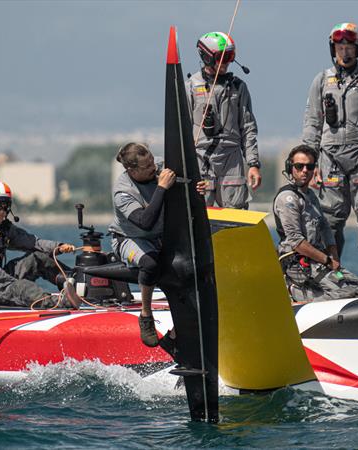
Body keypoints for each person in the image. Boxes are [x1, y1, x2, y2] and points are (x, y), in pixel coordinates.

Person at [302, 22, 358, 296]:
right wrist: (311, 161)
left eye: (349, 46)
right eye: (340, 46)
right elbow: (312, 123)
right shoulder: (322, 80)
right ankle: (332, 274)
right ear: (334, 49)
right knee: (331, 220)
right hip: (330, 158)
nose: (344, 51)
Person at [0, 180, 77, 308]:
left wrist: (59, 247)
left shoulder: (3, 227)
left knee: (39, 258)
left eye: (6, 206)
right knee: (21, 287)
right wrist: (17, 283)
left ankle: (77, 285)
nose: (2, 211)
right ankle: (61, 303)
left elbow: (33, 242)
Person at [273, 144, 358, 302]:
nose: (304, 171)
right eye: (299, 166)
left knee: (353, 283)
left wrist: (334, 256)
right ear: (290, 168)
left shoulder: (311, 196)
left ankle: (312, 289)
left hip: (317, 260)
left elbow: (324, 227)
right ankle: (296, 292)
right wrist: (327, 260)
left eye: (309, 166)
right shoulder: (287, 199)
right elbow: (297, 242)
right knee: (344, 292)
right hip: (298, 263)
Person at [109, 143, 176, 347]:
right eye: (147, 167)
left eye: (152, 162)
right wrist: (162, 187)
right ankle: (146, 314)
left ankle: (176, 333)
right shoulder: (123, 192)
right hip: (130, 237)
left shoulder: (158, 166)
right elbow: (145, 223)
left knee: (185, 268)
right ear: (132, 170)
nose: (154, 168)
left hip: (160, 235)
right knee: (151, 264)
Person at [188, 31, 261, 209]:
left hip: (232, 161)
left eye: (231, 57)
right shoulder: (190, 86)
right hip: (200, 159)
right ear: (207, 56)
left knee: (236, 210)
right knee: (199, 211)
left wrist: (253, 164)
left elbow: (248, 128)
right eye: (223, 57)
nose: (227, 62)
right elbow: (182, 129)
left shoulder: (238, 87)